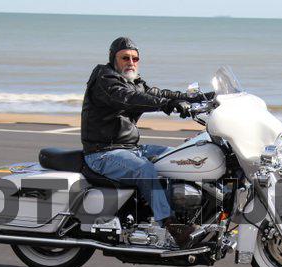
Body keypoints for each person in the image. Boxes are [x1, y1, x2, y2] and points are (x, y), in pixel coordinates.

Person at [81, 37, 210, 248]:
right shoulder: (105, 80)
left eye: (135, 58)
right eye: (125, 58)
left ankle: (184, 214)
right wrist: (167, 104)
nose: (131, 62)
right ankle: (171, 225)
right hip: (103, 152)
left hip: (130, 148)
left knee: (180, 157)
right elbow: (128, 98)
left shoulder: (133, 82)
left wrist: (203, 98)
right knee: (145, 169)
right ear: (113, 59)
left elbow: (160, 94)